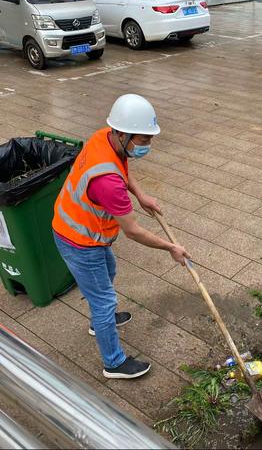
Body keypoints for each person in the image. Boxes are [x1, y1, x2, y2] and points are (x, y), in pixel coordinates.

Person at [52, 94, 190, 379]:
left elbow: (121, 168)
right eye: (142, 141)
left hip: (87, 230)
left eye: (149, 140)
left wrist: (141, 195)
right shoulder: (108, 183)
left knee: (109, 273)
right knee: (104, 300)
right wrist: (171, 248)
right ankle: (113, 363)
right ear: (123, 134)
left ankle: (100, 321)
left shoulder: (105, 137)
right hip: (79, 240)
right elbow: (133, 231)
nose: (147, 146)